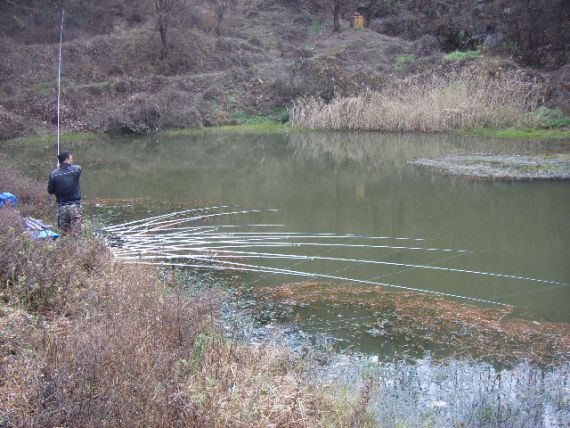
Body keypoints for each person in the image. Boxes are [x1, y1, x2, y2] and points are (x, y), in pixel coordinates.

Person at [47, 151, 83, 235]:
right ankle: (79, 248)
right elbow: (79, 168)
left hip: (62, 208)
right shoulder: (76, 170)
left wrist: (58, 169)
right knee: (78, 233)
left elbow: (50, 191)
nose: (72, 161)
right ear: (66, 160)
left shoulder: (53, 174)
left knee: (64, 233)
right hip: (75, 207)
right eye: (71, 159)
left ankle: (66, 248)